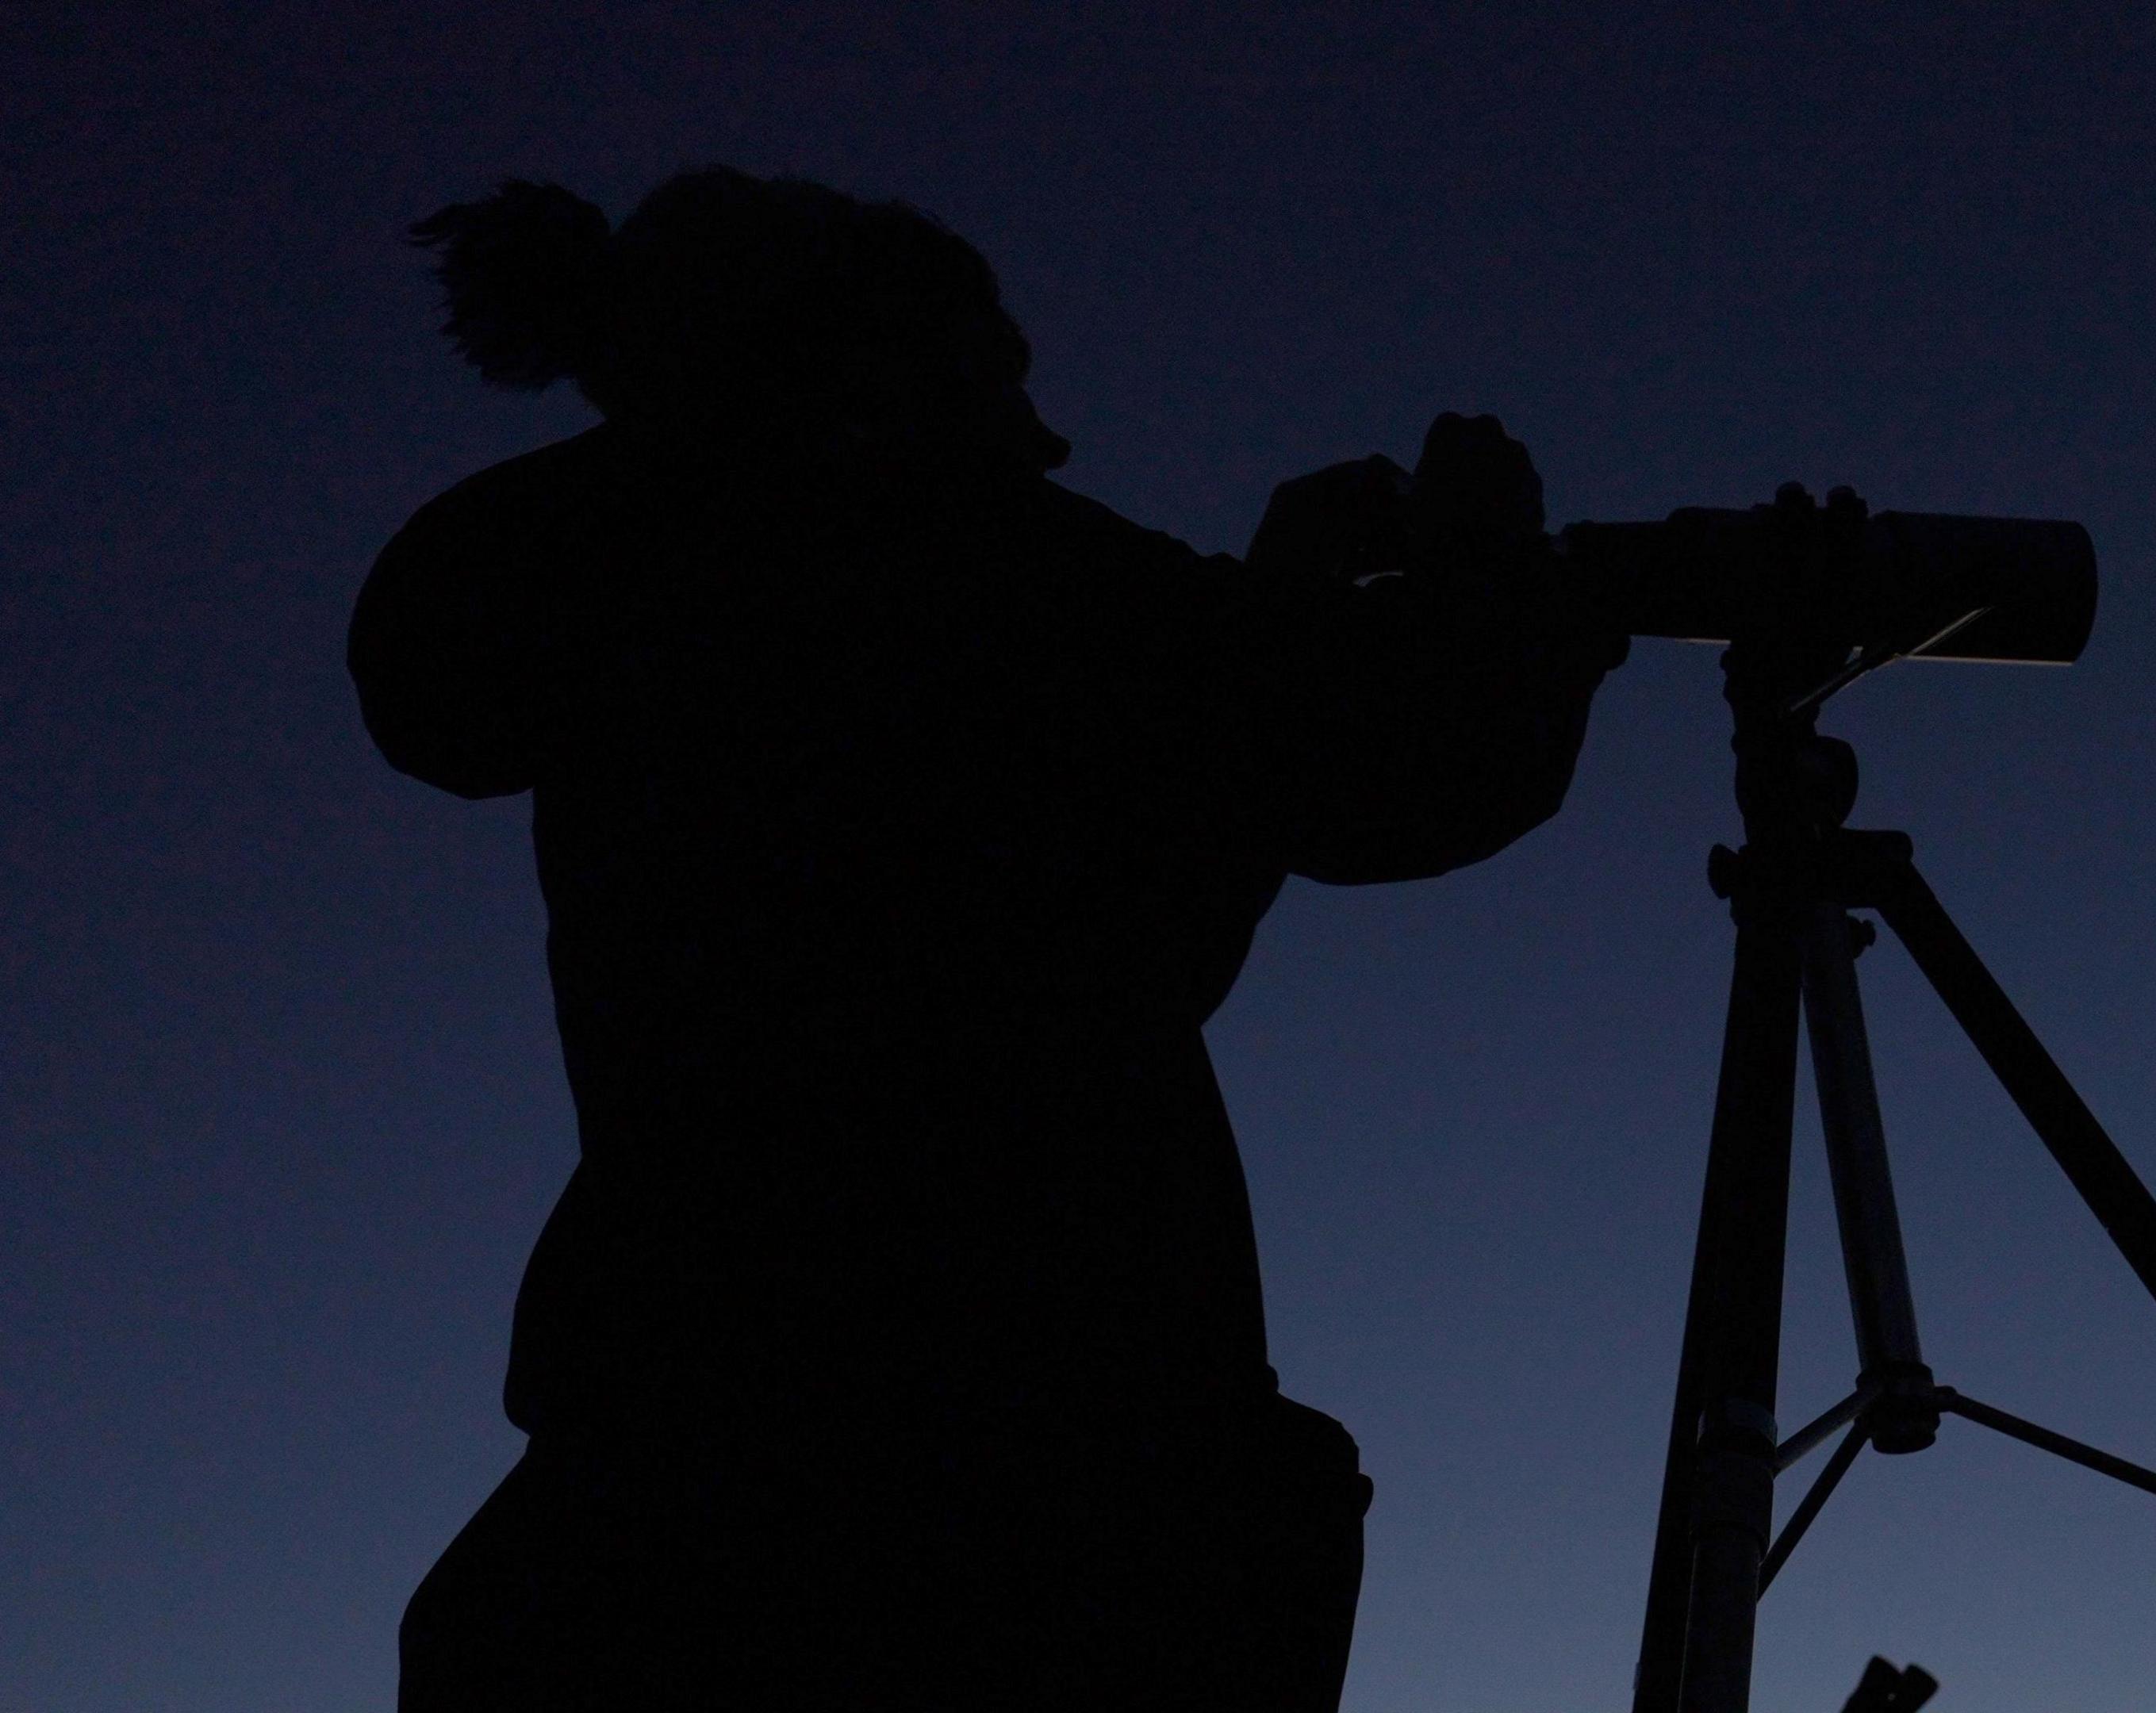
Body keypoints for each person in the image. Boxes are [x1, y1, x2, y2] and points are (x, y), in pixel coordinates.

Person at [357, 167, 1626, 1711]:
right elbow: (1396, 768)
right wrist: (1495, 573)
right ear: (876, 377)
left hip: (672, 1462)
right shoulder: (957, 557)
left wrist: (1274, 595)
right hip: (1041, 1484)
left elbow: (1102, 875)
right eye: (1000, 380)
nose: (1046, 438)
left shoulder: (652, 590)